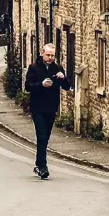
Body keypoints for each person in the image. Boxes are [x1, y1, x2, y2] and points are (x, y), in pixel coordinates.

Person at [24, 42, 68, 180]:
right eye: (48, 55)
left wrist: (63, 78)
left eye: (52, 55)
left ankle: (38, 165)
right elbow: (28, 86)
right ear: (42, 53)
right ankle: (43, 167)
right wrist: (41, 85)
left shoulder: (58, 68)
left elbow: (67, 86)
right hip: (37, 108)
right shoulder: (34, 68)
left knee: (45, 139)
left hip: (51, 107)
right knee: (41, 137)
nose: (50, 58)